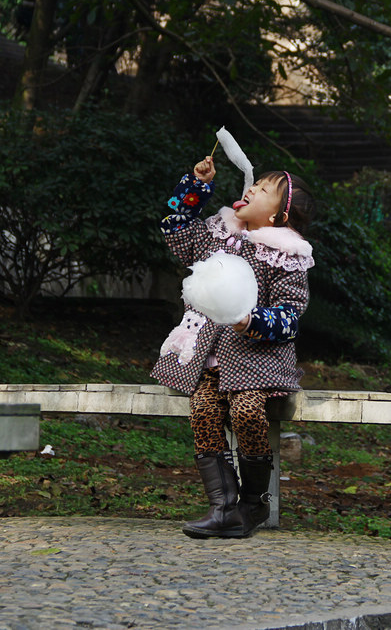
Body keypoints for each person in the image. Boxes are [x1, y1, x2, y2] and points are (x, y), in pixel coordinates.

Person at [151, 155, 315, 538]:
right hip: (206, 359)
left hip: (254, 363)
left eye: (263, 191)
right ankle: (221, 506)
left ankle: (253, 503)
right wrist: (196, 186)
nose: (252, 188)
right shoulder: (214, 234)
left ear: (276, 218)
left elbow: (291, 315)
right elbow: (175, 228)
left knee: (246, 412)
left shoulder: (284, 254)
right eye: (254, 184)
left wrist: (252, 320)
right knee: (203, 409)